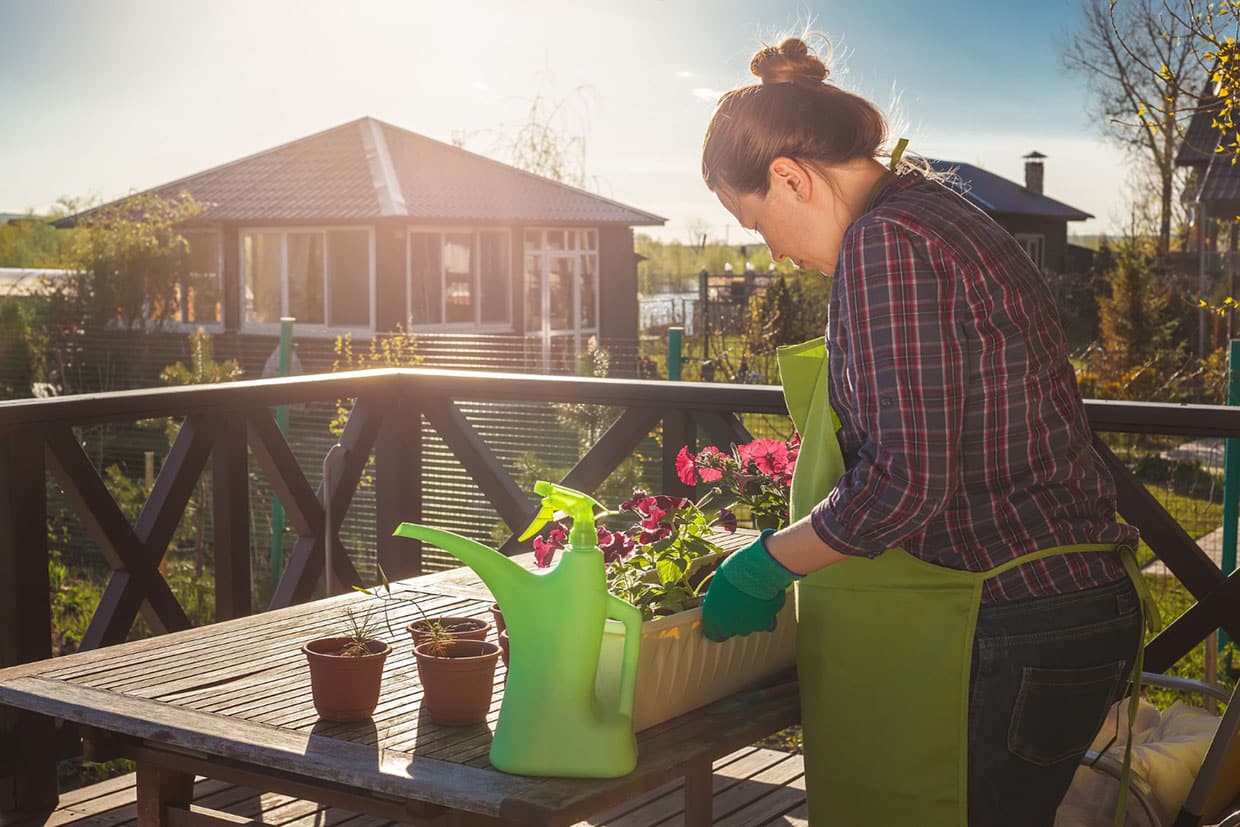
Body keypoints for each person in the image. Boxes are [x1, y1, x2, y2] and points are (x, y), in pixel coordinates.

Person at [698, 36, 1149, 826]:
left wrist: (766, 563)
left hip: (1017, 617)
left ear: (789, 177)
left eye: (757, 222)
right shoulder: (931, 212)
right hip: (1063, 607)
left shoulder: (889, 242)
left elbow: (904, 483)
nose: (772, 252)